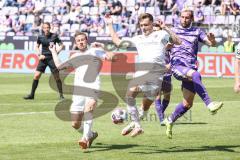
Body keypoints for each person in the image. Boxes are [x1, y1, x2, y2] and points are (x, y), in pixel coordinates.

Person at [105, 13, 181, 137]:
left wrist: (166, 28)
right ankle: (135, 125)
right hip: (148, 75)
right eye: (141, 25)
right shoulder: (138, 38)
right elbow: (117, 42)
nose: (144, 27)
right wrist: (109, 24)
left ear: (152, 24)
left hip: (154, 73)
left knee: (130, 93)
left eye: (146, 25)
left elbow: (178, 42)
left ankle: (137, 125)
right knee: (144, 108)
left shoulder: (160, 35)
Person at [163, 9, 224, 139]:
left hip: (189, 68)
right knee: (196, 75)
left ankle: (170, 120)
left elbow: (211, 44)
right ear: (179, 17)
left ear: (192, 19)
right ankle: (209, 104)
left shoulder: (197, 32)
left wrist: (213, 41)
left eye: (187, 18)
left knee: (187, 104)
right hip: (178, 66)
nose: (184, 19)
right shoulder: (174, 31)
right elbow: (165, 48)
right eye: (182, 17)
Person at [49, 31, 114, 149]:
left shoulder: (95, 51)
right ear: (76, 43)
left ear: (86, 40)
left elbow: (112, 58)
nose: (81, 42)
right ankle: (91, 134)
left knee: (89, 109)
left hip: (92, 86)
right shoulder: (75, 56)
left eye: (82, 40)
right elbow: (60, 66)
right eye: (78, 41)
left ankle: (84, 138)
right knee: (75, 124)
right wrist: (53, 51)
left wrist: (103, 47)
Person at [24, 22, 64, 100]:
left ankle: (61, 96)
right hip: (43, 58)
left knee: (56, 77)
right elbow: (37, 47)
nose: (46, 29)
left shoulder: (54, 36)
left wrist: (56, 52)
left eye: (47, 27)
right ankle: (32, 95)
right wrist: (39, 54)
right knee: (36, 76)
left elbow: (62, 45)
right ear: (43, 29)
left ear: (50, 28)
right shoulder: (40, 37)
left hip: (52, 58)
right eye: (45, 28)